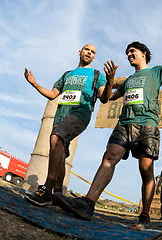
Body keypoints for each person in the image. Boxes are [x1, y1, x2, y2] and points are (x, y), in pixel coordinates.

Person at [54, 40, 162, 229]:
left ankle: (145, 215)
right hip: (124, 124)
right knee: (109, 157)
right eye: (127, 53)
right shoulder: (128, 81)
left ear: (143, 53)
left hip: (147, 125)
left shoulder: (156, 71)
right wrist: (110, 81)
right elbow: (107, 98)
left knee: (145, 170)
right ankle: (88, 204)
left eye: (132, 51)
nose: (129, 55)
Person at [24, 43, 117, 207]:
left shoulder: (97, 75)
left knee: (56, 138)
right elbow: (53, 94)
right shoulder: (67, 74)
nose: (89, 52)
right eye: (87, 49)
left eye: (93, 52)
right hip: (61, 115)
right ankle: (58, 196)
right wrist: (34, 83)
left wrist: (109, 81)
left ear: (94, 57)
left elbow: (104, 97)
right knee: (58, 153)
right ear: (80, 52)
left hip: (80, 114)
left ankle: (47, 190)